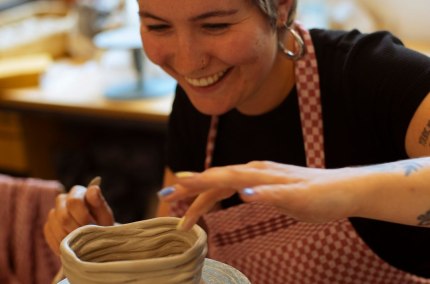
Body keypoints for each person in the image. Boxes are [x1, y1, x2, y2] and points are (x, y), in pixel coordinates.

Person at [44, 0, 430, 283]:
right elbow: (179, 248)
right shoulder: (199, 99)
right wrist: (116, 249)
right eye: (158, 27)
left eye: (215, 26)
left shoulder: (367, 74)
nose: (189, 61)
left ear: (281, 8)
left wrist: (340, 187)